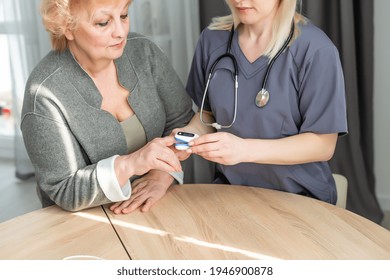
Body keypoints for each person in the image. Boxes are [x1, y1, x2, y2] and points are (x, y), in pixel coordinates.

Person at [21, 0, 194, 214]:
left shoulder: (143, 51)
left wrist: (163, 175)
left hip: (159, 203)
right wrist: (132, 163)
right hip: (86, 222)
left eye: (123, 16)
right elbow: (63, 188)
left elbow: (182, 119)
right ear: (67, 27)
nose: (121, 32)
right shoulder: (45, 93)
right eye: (103, 23)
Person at [178, 0, 348, 204]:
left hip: (299, 198)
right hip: (231, 192)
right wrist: (187, 138)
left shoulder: (315, 50)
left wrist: (243, 150)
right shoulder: (212, 39)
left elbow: (323, 145)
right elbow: (207, 115)